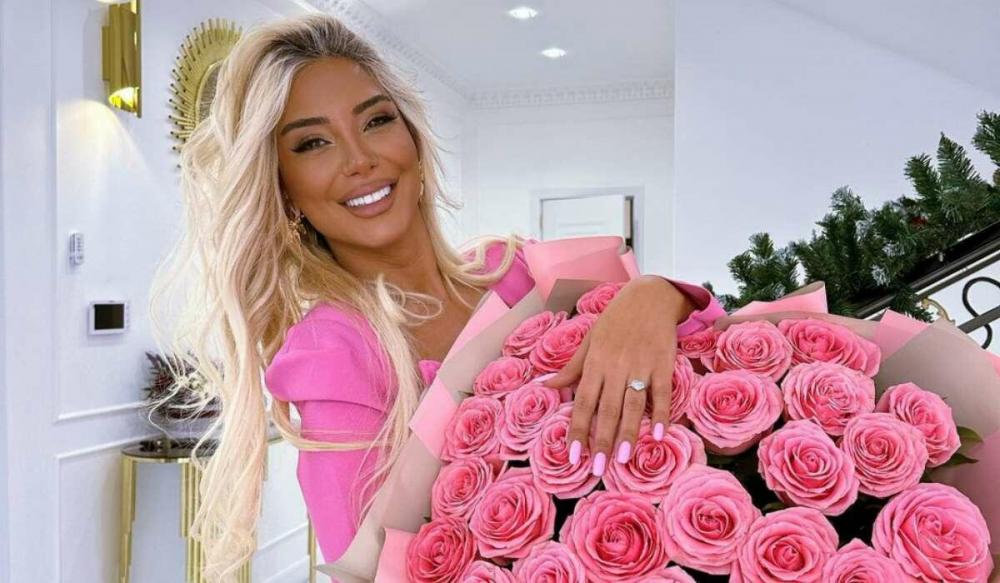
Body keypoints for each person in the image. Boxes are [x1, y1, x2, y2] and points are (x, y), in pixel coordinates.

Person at [150, 12, 725, 581]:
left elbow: (711, 353)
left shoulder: (518, 270)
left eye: (376, 120)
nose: (359, 159)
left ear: (414, 139)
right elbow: (374, 573)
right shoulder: (332, 353)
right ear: (283, 189)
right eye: (313, 143)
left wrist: (655, 296)